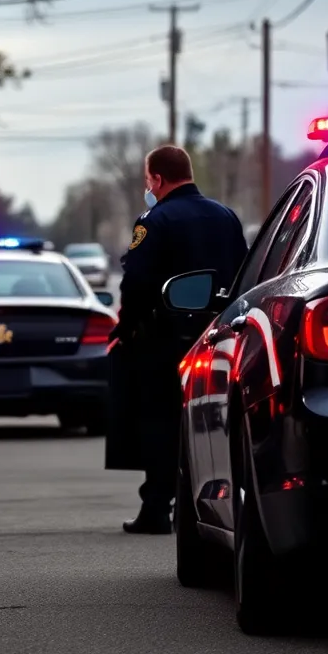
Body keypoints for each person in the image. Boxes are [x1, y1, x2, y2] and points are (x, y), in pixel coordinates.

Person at [105, 145, 249, 534]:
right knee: (210, 421)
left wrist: (124, 327)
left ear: (156, 179)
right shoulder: (226, 216)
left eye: (146, 179)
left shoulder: (154, 219)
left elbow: (136, 282)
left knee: (159, 421)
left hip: (163, 339)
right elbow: (244, 275)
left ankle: (156, 507)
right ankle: (209, 500)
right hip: (217, 337)